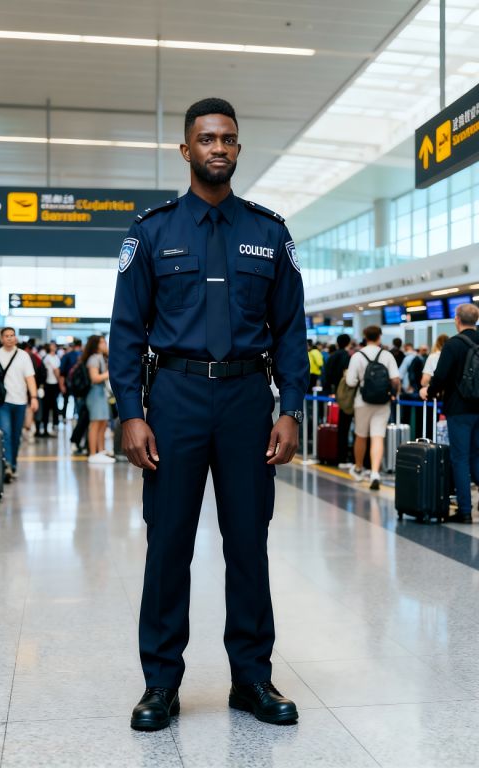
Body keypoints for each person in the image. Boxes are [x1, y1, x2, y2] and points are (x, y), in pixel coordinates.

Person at [109, 97, 307, 732]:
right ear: (186, 149)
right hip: (175, 399)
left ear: (238, 148)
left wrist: (291, 407)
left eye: (227, 139)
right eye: (206, 138)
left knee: (248, 542)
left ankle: (251, 677)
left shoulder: (270, 233)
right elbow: (125, 331)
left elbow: (291, 331)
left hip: (248, 400)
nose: (217, 148)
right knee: (169, 543)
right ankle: (160, 683)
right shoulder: (152, 232)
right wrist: (132, 412)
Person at [420, 303, 479, 524]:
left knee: (460, 458)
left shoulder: (453, 344)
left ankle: (465, 510)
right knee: (476, 456)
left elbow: (441, 376)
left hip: (459, 409)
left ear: (457, 320)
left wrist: (429, 392)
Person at [345, 325, 400, 490]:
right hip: (382, 401)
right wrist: (393, 395)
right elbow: (395, 379)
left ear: (365, 336)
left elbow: (350, 382)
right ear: (379, 337)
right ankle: (375, 473)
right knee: (377, 436)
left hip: (362, 401)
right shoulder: (387, 355)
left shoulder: (357, 356)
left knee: (361, 435)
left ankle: (359, 468)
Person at [0, 327, 39, 482]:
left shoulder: (23, 356)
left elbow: (30, 378)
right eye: (6, 336)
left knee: (16, 435)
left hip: (20, 401)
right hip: (3, 402)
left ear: (15, 338)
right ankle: (6, 464)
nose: (9, 338)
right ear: (1, 339)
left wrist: (34, 397)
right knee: (6, 433)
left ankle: (13, 465)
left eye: (12, 335)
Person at [321, 333, 353, 467]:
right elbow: (348, 378)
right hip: (344, 396)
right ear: (348, 343)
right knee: (345, 427)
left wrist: (329, 391)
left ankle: (334, 455)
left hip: (331, 395)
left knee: (334, 425)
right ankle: (343, 457)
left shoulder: (331, 356)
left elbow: (325, 375)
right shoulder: (347, 356)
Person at [83, 335, 114, 464]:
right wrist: (110, 373)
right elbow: (94, 378)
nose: (104, 344)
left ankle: (100, 451)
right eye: (102, 342)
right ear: (95, 344)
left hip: (101, 393)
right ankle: (92, 453)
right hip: (95, 393)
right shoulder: (94, 358)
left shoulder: (101, 357)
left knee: (103, 423)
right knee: (95, 424)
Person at [40, 342, 61, 436]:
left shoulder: (56, 357)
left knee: (54, 406)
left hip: (54, 384)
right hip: (48, 385)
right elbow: (56, 370)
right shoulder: (48, 357)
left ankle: (54, 425)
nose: (54, 347)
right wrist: (60, 382)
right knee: (47, 407)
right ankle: (45, 427)